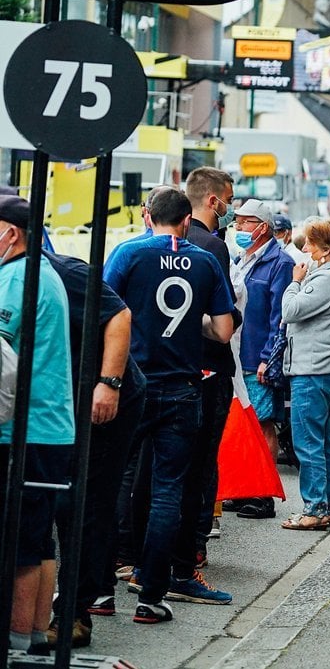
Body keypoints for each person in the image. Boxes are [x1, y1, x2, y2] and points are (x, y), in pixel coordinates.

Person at [104, 187, 234, 624]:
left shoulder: (128, 254)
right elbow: (223, 331)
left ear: (147, 215)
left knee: (113, 481)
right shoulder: (206, 260)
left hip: (132, 383)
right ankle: (152, 596)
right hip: (182, 387)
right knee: (168, 491)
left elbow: (103, 313)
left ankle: (100, 591)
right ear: (185, 221)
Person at [43, 246, 145, 648]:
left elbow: (119, 314)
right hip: (60, 400)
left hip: (104, 399)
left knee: (82, 505)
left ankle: (75, 613)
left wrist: (110, 383)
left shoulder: (60, 271)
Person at [0, 196, 75, 653]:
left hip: (25, 428)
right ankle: (31, 633)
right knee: (38, 535)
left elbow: (0, 361)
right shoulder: (43, 271)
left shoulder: (14, 279)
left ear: (10, 233)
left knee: (20, 537)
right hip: (51, 428)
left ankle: (13, 640)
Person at [279, 218, 330, 531]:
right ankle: (325, 505)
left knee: (308, 441)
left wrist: (295, 282)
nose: (305, 249)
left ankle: (314, 508)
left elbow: (290, 311)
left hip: (313, 367)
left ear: (325, 249)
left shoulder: (325, 279)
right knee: (322, 440)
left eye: (310, 244)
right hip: (326, 365)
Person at [183, 167, 243, 564]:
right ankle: (195, 545)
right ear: (212, 200)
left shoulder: (156, 243)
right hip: (209, 366)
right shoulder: (212, 246)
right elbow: (222, 317)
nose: (230, 208)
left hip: (171, 367)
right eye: (228, 199)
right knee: (204, 459)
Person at [230, 199, 294, 520]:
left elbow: (279, 316)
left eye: (244, 222)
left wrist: (269, 356)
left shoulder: (278, 263)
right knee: (245, 424)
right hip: (239, 354)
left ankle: (263, 493)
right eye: (237, 222)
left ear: (262, 227)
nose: (238, 228)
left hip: (259, 357)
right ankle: (245, 489)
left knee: (263, 423)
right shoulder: (242, 259)